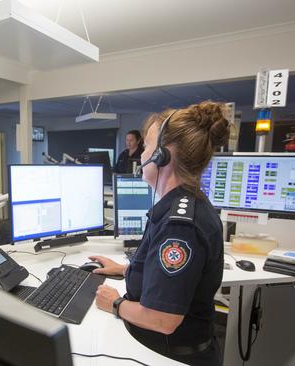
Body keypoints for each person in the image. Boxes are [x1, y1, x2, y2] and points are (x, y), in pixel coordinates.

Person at [90, 101, 230, 366]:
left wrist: (115, 303)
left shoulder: (180, 226)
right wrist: (126, 269)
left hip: (169, 356)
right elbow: (174, 278)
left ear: (162, 156)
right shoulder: (185, 204)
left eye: (147, 147)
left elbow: (163, 319)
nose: (142, 155)